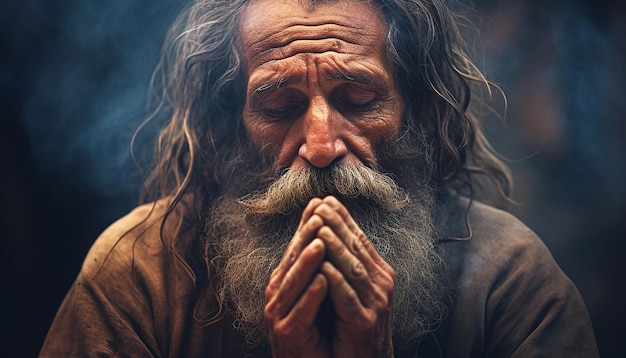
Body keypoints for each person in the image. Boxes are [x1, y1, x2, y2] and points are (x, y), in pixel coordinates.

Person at [39, 0, 599, 356]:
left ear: (418, 112)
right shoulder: (139, 275)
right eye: (279, 107)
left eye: (357, 100)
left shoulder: (509, 284)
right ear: (225, 126)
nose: (322, 146)